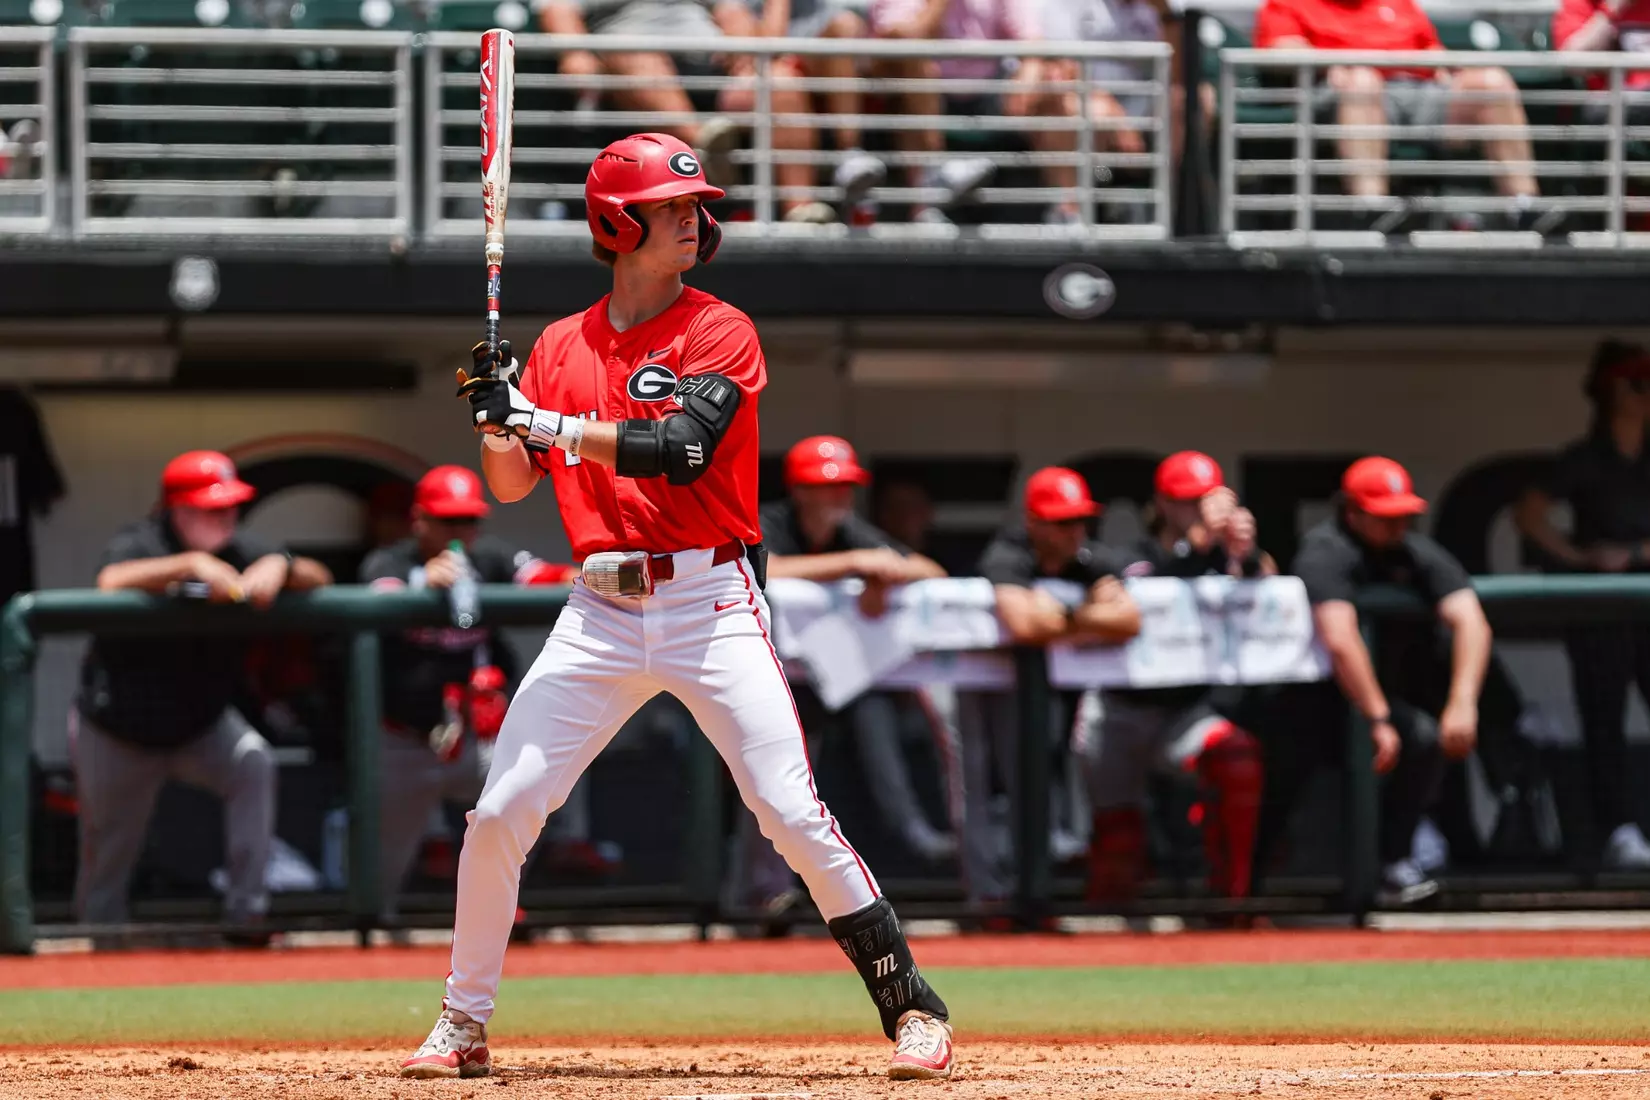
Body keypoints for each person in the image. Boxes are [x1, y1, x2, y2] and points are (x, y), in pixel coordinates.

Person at [400, 133, 954, 1082]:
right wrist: (497, 416)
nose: (695, 220)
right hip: (599, 608)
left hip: (709, 599)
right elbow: (510, 483)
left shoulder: (721, 328)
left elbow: (681, 447)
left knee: (788, 810)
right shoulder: (560, 345)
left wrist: (544, 422)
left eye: (698, 206)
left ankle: (914, 1011)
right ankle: (462, 1022)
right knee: (500, 811)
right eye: (672, 207)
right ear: (618, 222)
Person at [73, 450, 332, 941]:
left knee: (254, 764)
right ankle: (97, 948)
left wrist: (282, 565)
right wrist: (189, 565)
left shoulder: (242, 548)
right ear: (177, 509)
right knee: (107, 851)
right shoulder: (141, 541)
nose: (227, 516)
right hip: (119, 729)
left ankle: (247, 915)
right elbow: (110, 582)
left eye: (231, 506)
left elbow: (322, 578)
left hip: (201, 725)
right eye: (213, 508)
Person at [1255, 456, 1491, 905]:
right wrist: (1378, 717)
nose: (1397, 526)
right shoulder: (1325, 550)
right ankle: (1242, 889)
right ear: (1352, 511)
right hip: (1304, 702)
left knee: (1422, 738)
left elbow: (1472, 621)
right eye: (1385, 518)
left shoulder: (1412, 551)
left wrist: (1463, 702)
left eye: (1403, 516)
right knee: (1276, 791)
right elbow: (1340, 639)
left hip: (1373, 698)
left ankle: (1392, 864)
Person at [361, 465, 577, 916]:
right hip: (406, 737)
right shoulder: (394, 560)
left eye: (469, 521)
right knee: (381, 872)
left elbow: (541, 575)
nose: (460, 531)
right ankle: (366, 940)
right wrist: (421, 584)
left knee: (525, 797)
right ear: (420, 520)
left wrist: (580, 577)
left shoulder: (488, 558)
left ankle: (494, 910)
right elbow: (376, 596)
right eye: (448, 521)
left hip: (472, 739)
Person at [1084, 452, 1269, 914]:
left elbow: (1270, 587)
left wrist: (1244, 554)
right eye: (1188, 502)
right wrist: (1198, 542)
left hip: (1184, 714)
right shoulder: (1136, 555)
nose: (1200, 511)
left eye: (1207, 501)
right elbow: (1143, 589)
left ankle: (1233, 902)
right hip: (1120, 712)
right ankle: (1094, 951)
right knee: (1118, 846)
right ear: (1164, 503)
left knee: (1237, 756)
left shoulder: (1223, 556)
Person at [959, 466, 1142, 918]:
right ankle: (989, 895)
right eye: (1062, 522)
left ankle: (1033, 890)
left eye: (1079, 520)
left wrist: (1064, 613)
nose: (1074, 531)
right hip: (975, 681)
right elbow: (1023, 624)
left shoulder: (1087, 558)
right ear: (1034, 523)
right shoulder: (1009, 551)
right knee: (973, 780)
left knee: (1040, 776)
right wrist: (1085, 617)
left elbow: (1128, 621)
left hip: (1038, 690)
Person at [762, 435, 956, 860]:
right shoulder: (772, 521)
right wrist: (853, 565)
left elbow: (931, 572)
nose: (840, 495)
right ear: (799, 490)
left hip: (831, 672)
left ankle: (910, 831)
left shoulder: (850, 530)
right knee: (768, 776)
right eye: (827, 485)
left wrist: (884, 576)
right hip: (768, 676)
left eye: (845, 485)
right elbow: (763, 569)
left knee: (874, 709)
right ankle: (760, 890)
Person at [1514, 340, 1650, 870]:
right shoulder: (1584, 458)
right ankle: (1617, 828)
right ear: (1612, 392)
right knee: (1603, 718)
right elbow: (1528, 514)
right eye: (1636, 384)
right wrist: (1579, 559)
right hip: (1600, 607)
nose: (1645, 396)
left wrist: (1634, 552)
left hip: (1644, 599)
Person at [1253, 0, 1547, 232]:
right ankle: (1372, 208)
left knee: (1492, 82)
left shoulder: (1396, 2)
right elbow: (1280, 49)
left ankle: (1524, 207)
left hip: (1418, 89)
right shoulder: (1289, 3)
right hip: (1346, 92)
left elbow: (1432, 50)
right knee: (1362, 82)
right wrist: (1329, 63)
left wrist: (1447, 70)